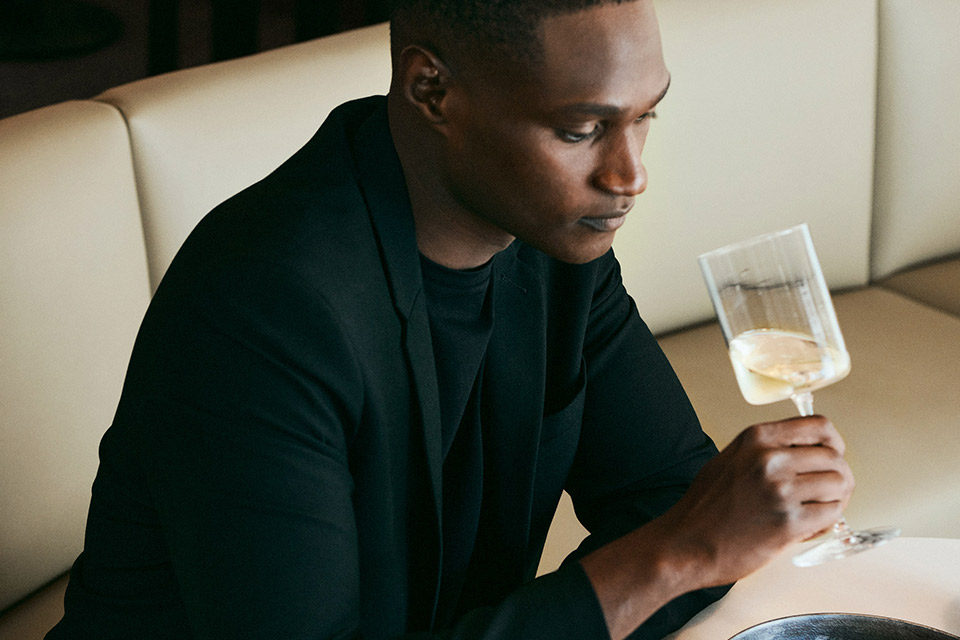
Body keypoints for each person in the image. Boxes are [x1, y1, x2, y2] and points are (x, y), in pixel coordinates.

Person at [47, 0, 854, 638]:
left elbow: (674, 495)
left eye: (646, 116)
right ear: (431, 88)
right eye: (582, 129)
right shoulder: (262, 310)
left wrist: (681, 549)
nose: (630, 173)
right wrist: (676, 557)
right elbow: (686, 536)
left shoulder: (555, 247)